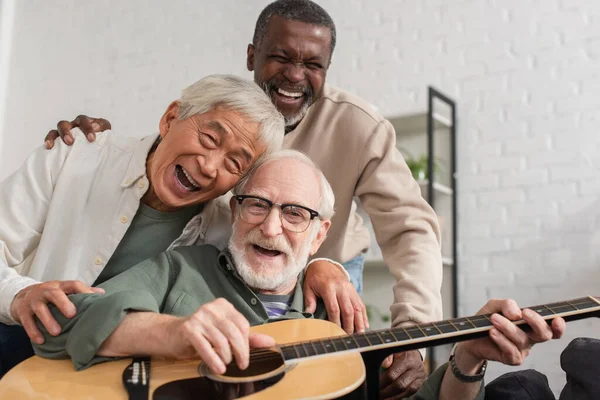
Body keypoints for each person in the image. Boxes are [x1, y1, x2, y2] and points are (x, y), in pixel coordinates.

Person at [44, 1, 443, 395]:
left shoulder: (359, 126)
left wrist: (413, 330)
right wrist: (106, 150)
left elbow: (411, 228)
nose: (294, 76)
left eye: (312, 65)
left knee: (330, 384)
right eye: (280, 57)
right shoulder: (228, 116)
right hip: (235, 265)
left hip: (326, 268)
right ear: (252, 56)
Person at [32, 151, 566, 400]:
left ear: (318, 234)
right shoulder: (181, 268)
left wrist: (468, 357)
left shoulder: (340, 318)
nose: (270, 226)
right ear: (234, 211)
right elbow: (68, 320)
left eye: (294, 214)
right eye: (256, 205)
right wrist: (172, 333)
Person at [0, 75, 362, 377]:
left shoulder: (227, 221)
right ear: (171, 118)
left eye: (235, 162)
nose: (208, 166)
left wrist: (323, 266)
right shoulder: (73, 155)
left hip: (107, 372)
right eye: (209, 139)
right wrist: (18, 295)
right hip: (15, 331)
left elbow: (276, 249)